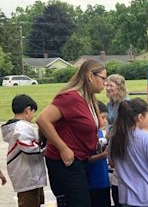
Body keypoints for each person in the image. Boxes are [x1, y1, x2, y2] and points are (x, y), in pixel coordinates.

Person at [37, 59, 107, 207]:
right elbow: (43, 120)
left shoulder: (88, 99)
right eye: (103, 78)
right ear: (90, 76)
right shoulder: (70, 98)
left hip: (80, 159)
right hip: (65, 162)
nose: (105, 83)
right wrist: (63, 147)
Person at [109, 98, 148, 207]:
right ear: (140, 117)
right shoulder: (146, 138)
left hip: (126, 197)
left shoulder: (115, 138)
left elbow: (112, 164)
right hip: (147, 196)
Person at [1, 94, 46, 207]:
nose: (33, 115)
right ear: (28, 110)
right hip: (28, 177)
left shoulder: (19, 127)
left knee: (35, 201)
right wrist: (46, 148)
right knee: (30, 202)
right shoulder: (21, 127)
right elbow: (29, 149)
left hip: (30, 176)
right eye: (33, 112)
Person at [105, 74, 129, 207]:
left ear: (120, 87)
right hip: (112, 142)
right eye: (106, 85)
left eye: (111, 86)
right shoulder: (110, 104)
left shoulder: (126, 104)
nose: (108, 88)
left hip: (122, 143)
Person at [88, 101, 111, 207]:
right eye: (103, 117)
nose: (105, 121)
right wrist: (104, 154)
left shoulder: (100, 132)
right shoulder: (88, 135)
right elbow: (86, 158)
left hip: (103, 180)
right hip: (93, 182)